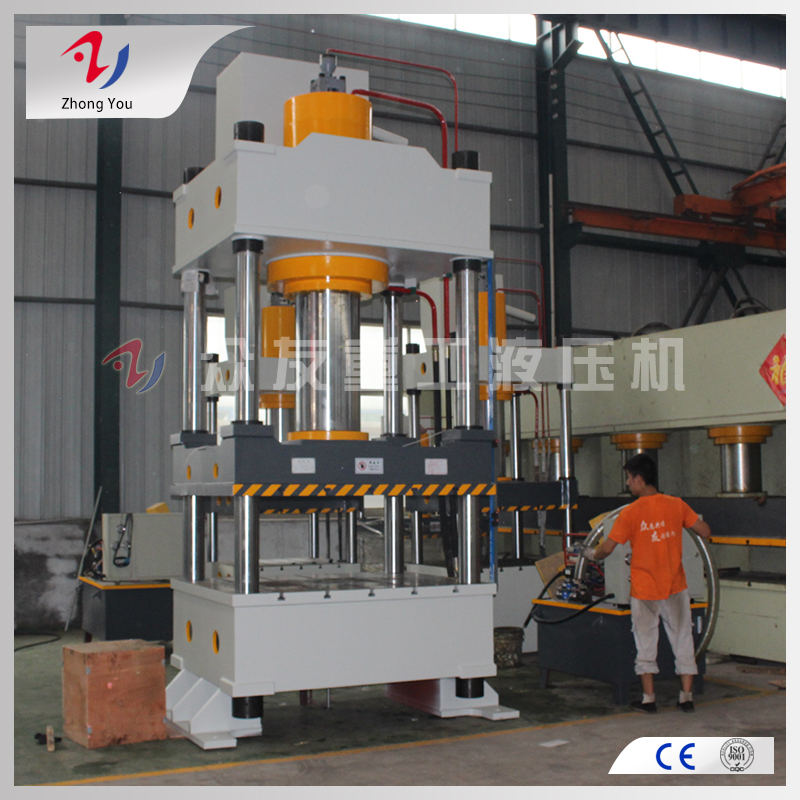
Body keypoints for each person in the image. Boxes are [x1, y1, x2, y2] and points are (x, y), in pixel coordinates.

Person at [583, 453, 711, 713]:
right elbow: (705, 531)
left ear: (639, 479)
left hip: (644, 590)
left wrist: (591, 554)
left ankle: (649, 700)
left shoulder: (630, 513)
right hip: (675, 586)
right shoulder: (676, 505)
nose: (628, 483)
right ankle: (686, 697)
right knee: (683, 640)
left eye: (629, 479)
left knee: (645, 643)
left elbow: (608, 547)